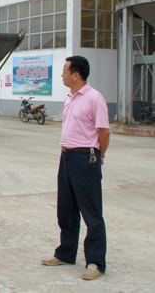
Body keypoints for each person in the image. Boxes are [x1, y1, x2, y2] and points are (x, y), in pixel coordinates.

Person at [42, 55, 110, 281]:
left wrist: (98, 156)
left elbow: (104, 133)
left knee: (91, 212)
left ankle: (95, 262)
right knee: (66, 210)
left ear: (76, 75)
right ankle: (66, 253)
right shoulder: (69, 97)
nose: (62, 75)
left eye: (65, 71)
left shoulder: (94, 98)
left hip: (85, 158)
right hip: (66, 157)